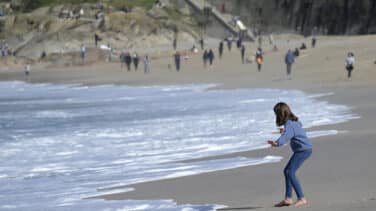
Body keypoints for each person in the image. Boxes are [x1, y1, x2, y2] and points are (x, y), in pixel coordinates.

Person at [267, 102, 313, 208]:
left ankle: (302, 198)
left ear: (281, 114)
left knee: (290, 172)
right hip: (304, 149)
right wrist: (284, 131)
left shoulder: (289, 125)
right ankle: (288, 198)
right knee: (287, 171)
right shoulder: (294, 122)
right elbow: (294, 131)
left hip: (303, 150)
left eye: (276, 114)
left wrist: (276, 143)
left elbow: (286, 136)